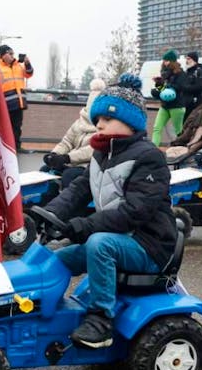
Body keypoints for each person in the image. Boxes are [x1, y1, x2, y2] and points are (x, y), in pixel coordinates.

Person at [43, 74, 176, 348]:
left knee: (98, 244)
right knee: (58, 258)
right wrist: (50, 213)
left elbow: (135, 211)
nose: (98, 124)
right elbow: (79, 190)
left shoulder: (149, 158)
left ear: (130, 122)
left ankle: (101, 321)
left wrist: (86, 225)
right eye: (97, 119)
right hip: (118, 238)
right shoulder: (101, 154)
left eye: (106, 119)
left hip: (148, 245)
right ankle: (40, 312)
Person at [42, 78, 105, 188]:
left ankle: (71, 204)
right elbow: (67, 142)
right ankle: (47, 200)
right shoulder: (79, 122)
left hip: (88, 166)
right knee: (45, 170)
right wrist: (54, 154)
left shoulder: (105, 126)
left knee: (69, 175)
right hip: (70, 161)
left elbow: (92, 150)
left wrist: (67, 158)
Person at [0, 45, 34, 153]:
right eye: (10, 54)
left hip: (18, 102)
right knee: (5, 127)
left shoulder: (18, 65)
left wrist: (27, 63)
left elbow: (29, 74)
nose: (13, 56)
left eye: (13, 53)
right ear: (3, 55)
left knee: (17, 126)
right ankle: (5, 148)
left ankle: (16, 147)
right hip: (5, 103)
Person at [150, 50, 187, 146]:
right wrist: (158, 83)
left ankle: (181, 148)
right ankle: (154, 149)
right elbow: (162, 90)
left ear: (172, 61)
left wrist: (166, 87)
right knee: (157, 128)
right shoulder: (164, 74)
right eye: (164, 60)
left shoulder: (180, 73)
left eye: (167, 60)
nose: (165, 63)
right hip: (165, 105)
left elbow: (180, 87)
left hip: (177, 106)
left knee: (178, 130)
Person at [181, 51, 202, 118]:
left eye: (189, 59)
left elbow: (200, 86)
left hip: (196, 103)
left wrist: (185, 88)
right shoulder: (186, 72)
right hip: (186, 103)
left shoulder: (199, 71)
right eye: (186, 59)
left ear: (194, 60)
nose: (187, 61)